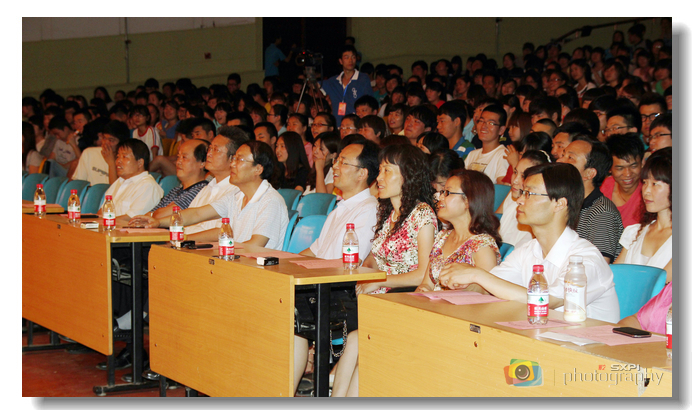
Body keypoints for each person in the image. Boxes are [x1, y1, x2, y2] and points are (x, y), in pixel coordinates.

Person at [438, 162, 620, 323]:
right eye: (522, 193)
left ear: (559, 204)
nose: (519, 200)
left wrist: (477, 275)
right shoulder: (529, 250)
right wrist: (464, 286)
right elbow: (491, 285)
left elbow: (548, 300)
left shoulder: (585, 259)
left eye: (529, 194)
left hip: (585, 346)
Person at [130, 141, 288, 249]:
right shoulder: (236, 195)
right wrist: (158, 222)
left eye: (240, 160)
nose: (232, 164)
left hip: (256, 273)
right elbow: (197, 213)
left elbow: (255, 245)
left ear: (258, 169)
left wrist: (219, 251)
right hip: (235, 263)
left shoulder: (270, 200)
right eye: (234, 158)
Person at [358, 144, 438, 295]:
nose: (379, 178)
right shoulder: (388, 214)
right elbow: (375, 257)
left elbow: (423, 274)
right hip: (375, 292)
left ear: (408, 175)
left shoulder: (422, 214)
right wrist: (364, 273)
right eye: (380, 170)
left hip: (400, 296)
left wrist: (379, 281)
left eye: (387, 170)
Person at [416, 169, 502, 292]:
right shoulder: (442, 237)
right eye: (442, 192)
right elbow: (427, 284)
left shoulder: (482, 246)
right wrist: (422, 291)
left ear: (468, 200)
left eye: (447, 193)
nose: (440, 197)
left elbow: (485, 293)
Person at [557, 137, 623, 262]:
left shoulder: (602, 213)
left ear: (589, 173)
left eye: (570, 158)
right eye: (563, 155)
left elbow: (599, 265)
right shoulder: (563, 203)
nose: (560, 160)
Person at [614, 148, 672, 282]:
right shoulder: (635, 233)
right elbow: (613, 277)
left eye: (655, 184)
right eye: (645, 182)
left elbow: (656, 284)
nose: (646, 191)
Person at [138, 139, 210, 221]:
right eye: (178, 157)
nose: (178, 162)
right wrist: (155, 214)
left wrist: (155, 214)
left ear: (202, 163)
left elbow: (161, 215)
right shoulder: (175, 191)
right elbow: (147, 216)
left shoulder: (201, 191)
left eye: (184, 157)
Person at [497, 150, 551, 248]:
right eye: (515, 172)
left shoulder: (537, 215)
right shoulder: (513, 197)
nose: (515, 181)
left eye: (523, 176)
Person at [101, 139, 163, 221]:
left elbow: (132, 218)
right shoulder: (119, 181)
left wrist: (104, 222)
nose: (118, 161)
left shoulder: (148, 186)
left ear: (140, 163)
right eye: (118, 157)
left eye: (124, 157)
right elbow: (101, 211)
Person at [321, 45, 374, 126]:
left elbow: (369, 102)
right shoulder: (333, 81)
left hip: (356, 125)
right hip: (338, 125)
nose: (350, 60)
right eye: (346, 57)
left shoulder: (363, 78)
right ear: (340, 61)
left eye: (353, 57)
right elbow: (314, 85)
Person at [601, 133, 645, 228]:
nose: (627, 174)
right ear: (609, 168)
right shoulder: (603, 188)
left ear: (642, 163)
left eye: (633, 166)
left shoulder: (648, 192)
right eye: (620, 168)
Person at [72, 120, 130, 185]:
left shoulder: (126, 161)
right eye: (104, 138)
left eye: (111, 140)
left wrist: (111, 163)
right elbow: (78, 183)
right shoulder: (89, 153)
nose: (105, 143)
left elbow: (116, 188)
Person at [464, 104, 510, 182]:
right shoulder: (472, 154)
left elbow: (502, 187)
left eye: (491, 123)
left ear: (501, 130)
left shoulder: (503, 155)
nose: (483, 126)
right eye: (481, 121)